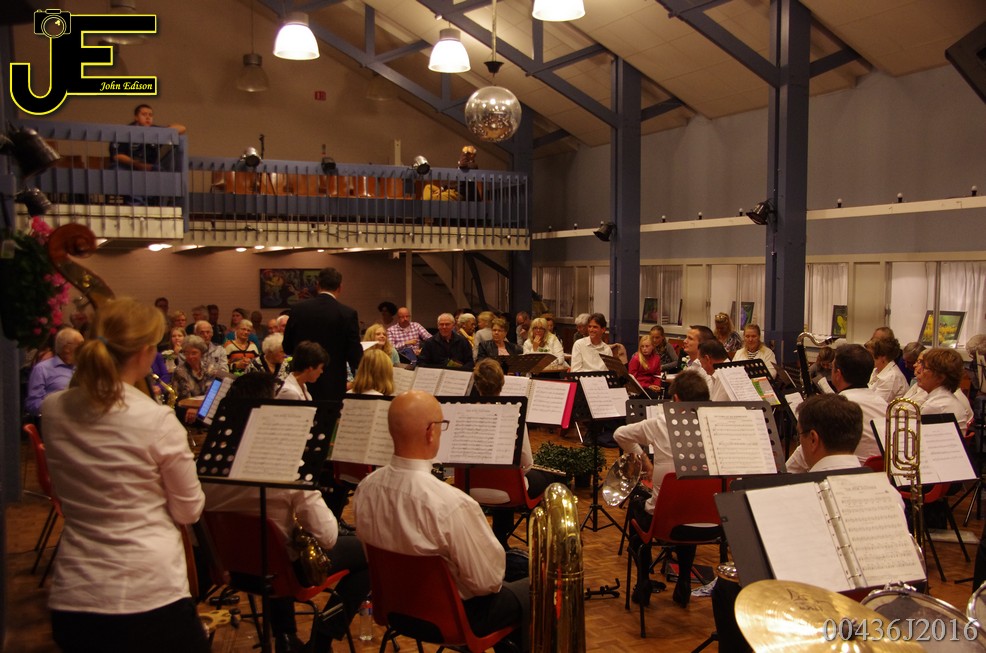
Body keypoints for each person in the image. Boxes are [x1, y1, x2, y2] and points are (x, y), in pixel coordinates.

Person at [42, 298, 207, 653]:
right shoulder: (156, 419)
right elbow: (189, 510)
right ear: (145, 352)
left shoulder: (53, 409)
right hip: (148, 593)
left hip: (74, 593)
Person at [203, 372, 369, 653]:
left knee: (273, 545)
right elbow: (328, 536)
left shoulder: (208, 465)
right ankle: (322, 638)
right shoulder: (286, 468)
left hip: (232, 568)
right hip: (282, 573)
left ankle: (286, 636)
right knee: (366, 552)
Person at [352, 391, 529, 652]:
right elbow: (488, 582)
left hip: (395, 609)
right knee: (537, 587)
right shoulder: (452, 504)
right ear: (430, 432)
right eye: (442, 425)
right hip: (454, 619)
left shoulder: (365, 489)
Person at [614, 371, 710, 608]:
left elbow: (620, 434)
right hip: (711, 525)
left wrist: (644, 460)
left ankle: (643, 582)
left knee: (637, 504)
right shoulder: (715, 426)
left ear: (675, 399)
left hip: (665, 524)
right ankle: (684, 582)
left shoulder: (662, 423)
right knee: (691, 505)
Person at [470, 359, 556, 547]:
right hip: (508, 492)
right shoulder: (514, 415)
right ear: (502, 384)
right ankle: (511, 540)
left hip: (469, 488)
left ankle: (492, 541)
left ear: (476, 384)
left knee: (503, 476)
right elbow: (527, 463)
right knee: (547, 478)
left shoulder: (464, 414)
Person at [785, 344, 885, 472]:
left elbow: (805, 453)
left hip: (843, 474)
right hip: (879, 476)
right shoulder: (884, 403)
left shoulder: (837, 408)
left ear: (838, 374)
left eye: (832, 368)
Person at [283, 267, 363, 402]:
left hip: (303, 380)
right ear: (340, 287)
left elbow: (287, 347)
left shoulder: (298, 310)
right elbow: (354, 353)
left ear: (318, 285)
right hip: (333, 382)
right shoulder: (347, 314)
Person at [25, 327, 84, 416]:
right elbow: (33, 404)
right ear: (67, 348)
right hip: (56, 418)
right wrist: (58, 407)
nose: (84, 349)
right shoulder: (42, 369)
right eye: (80, 345)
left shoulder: (83, 368)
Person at [110, 104, 186, 171]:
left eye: (150, 115)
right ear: (136, 117)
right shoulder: (125, 131)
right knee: (117, 169)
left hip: (150, 167)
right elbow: (117, 156)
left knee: (160, 169)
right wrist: (139, 165)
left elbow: (182, 128)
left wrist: (164, 132)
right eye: (144, 114)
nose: (148, 117)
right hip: (127, 166)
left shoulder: (156, 131)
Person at [172, 335, 228, 421]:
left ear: (201, 353)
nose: (190, 356)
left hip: (206, 407)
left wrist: (200, 408)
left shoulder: (209, 368)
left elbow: (211, 393)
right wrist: (194, 408)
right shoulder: (180, 371)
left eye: (194, 353)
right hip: (186, 407)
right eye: (187, 353)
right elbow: (184, 397)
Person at [914, 347, 974, 426]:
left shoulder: (935, 406)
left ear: (940, 377)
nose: (919, 371)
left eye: (925, 368)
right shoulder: (945, 397)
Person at [866, 336, 908, 402]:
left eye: (870, 354)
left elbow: (876, 404)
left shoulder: (891, 377)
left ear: (883, 357)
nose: (867, 357)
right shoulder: (876, 370)